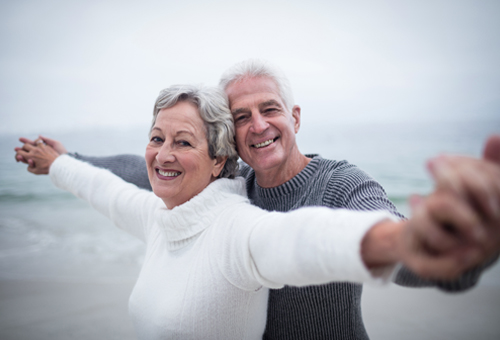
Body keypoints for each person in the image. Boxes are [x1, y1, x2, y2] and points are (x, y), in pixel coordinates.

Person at [15, 62, 500, 340]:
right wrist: (63, 159)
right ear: (229, 142)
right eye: (241, 116)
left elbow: (321, 238)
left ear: (295, 116)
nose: (258, 125)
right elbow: (131, 175)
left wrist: (435, 243)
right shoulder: (233, 182)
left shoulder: (338, 185)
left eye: (269, 109)